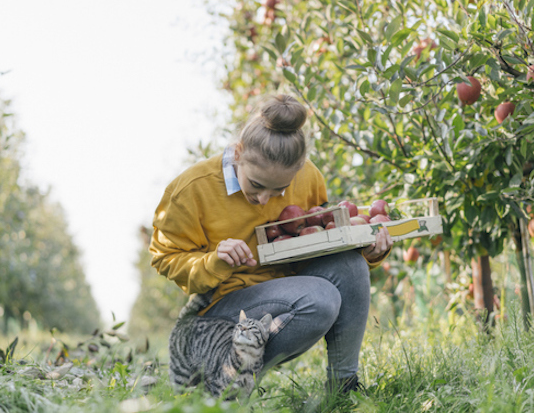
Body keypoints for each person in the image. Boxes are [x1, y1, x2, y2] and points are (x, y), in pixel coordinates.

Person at [149, 94, 393, 393]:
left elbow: (318, 241)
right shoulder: (193, 188)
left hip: (285, 291)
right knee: (320, 298)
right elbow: (165, 257)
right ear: (238, 153)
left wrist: (367, 250)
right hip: (221, 312)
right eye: (256, 184)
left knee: (351, 265)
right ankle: (225, 384)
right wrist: (213, 260)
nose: (264, 199)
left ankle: (344, 388)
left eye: (281, 190)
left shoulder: (308, 177)